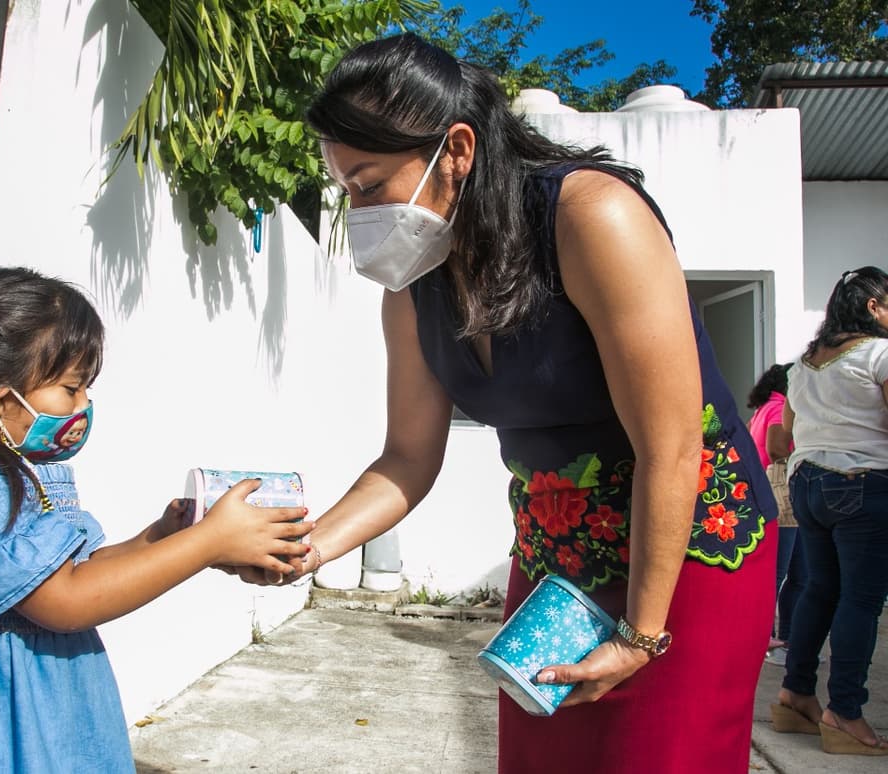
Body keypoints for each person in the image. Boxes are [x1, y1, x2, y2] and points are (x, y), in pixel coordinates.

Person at [235, 34, 778, 773]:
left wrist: (642, 634)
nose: (356, 210)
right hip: (556, 557)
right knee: (541, 758)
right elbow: (406, 458)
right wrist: (309, 548)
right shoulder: (414, 287)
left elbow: (672, 446)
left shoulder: (592, 218)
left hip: (684, 552)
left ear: (455, 150)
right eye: (344, 190)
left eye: (368, 184)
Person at [0, 267, 312, 772]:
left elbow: (77, 570)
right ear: (3, 399)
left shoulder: (14, 473)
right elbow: (67, 601)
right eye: (71, 389)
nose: (84, 405)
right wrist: (207, 543)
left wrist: (160, 537)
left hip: (41, 711)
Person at [773, 266, 888, 755]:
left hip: (807, 484)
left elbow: (781, 438)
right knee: (860, 600)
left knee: (819, 591)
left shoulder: (803, 366)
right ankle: (843, 712)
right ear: (872, 307)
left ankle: (795, 697)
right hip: (864, 483)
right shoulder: (881, 354)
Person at [747, 363, 803, 666]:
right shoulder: (779, 407)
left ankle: (779, 640)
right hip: (781, 493)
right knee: (783, 574)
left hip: (765, 492)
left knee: (788, 573)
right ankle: (771, 641)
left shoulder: (762, 407)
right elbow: (776, 447)